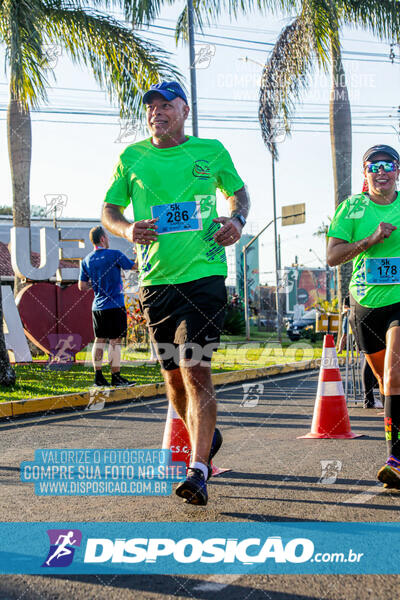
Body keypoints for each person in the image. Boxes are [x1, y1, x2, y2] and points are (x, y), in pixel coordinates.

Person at [101, 81, 249, 505]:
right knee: (174, 382)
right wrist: (127, 228)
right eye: (151, 107)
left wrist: (237, 220)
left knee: (195, 366)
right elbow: (109, 209)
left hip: (203, 276)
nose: (157, 112)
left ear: (184, 110)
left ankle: (198, 471)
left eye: (166, 105)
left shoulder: (211, 151)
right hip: (155, 282)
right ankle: (208, 434)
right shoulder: (132, 158)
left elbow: (238, 193)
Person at [327, 144, 400, 488]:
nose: (381, 171)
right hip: (365, 306)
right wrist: (370, 240)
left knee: (394, 375)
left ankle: (394, 459)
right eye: (374, 166)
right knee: (387, 386)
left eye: (388, 164)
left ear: (398, 170)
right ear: (365, 173)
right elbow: (332, 256)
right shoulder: (351, 209)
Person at [79, 226, 136, 388]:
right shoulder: (114, 254)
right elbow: (134, 267)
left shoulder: (87, 260)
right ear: (103, 238)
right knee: (114, 342)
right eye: (107, 237)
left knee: (99, 341)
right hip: (115, 305)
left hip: (97, 306)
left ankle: (98, 377)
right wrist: (138, 255)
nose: (109, 240)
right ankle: (116, 377)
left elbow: (81, 286)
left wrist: (96, 284)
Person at [337, 296, 380, 409]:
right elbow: (345, 309)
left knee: (369, 358)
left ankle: (371, 397)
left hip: (358, 319)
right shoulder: (351, 296)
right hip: (359, 320)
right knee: (369, 358)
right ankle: (371, 398)